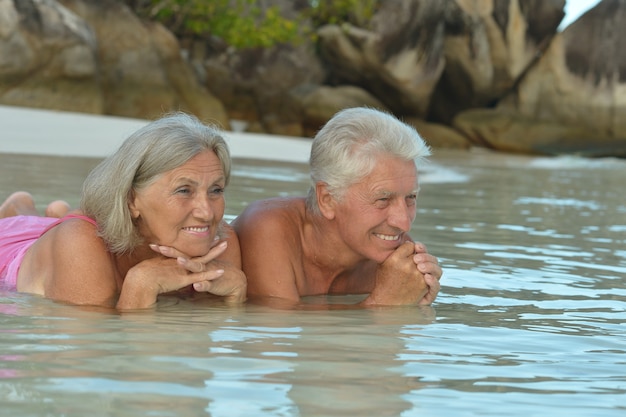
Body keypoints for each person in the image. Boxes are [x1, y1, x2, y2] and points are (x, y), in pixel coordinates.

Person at [0, 112, 246, 310]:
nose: (207, 213)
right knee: (65, 230)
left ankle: (45, 213)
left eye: (216, 190)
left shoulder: (221, 242)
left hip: (62, 241)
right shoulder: (79, 243)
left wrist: (236, 298)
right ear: (131, 199)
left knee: (60, 226)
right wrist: (140, 286)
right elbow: (94, 359)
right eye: (184, 191)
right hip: (11, 251)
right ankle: (18, 209)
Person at [231, 107, 442, 308]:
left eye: (411, 197)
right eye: (383, 200)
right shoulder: (269, 229)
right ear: (327, 199)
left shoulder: (394, 257)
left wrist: (415, 301)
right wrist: (385, 302)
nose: (403, 222)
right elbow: (273, 334)